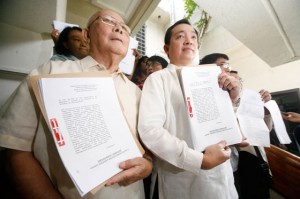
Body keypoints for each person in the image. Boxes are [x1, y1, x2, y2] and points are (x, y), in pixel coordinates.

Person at [0, 9, 153, 199]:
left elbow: (148, 150)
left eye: (124, 27)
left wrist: (147, 166)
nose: (119, 29)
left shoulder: (138, 94)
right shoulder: (50, 73)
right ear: (86, 34)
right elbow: (16, 148)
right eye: (108, 21)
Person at [138, 19, 241, 199]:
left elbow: (222, 124)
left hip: (223, 175)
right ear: (167, 48)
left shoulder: (212, 77)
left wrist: (232, 99)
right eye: (180, 36)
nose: (189, 40)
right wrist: (199, 160)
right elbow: (150, 130)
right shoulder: (158, 79)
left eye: (193, 36)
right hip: (184, 179)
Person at [200, 52, 273, 199]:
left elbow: (264, 131)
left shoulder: (245, 100)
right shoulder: (209, 100)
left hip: (244, 163)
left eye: (239, 81)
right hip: (220, 167)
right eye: (223, 66)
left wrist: (265, 112)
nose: (236, 83)